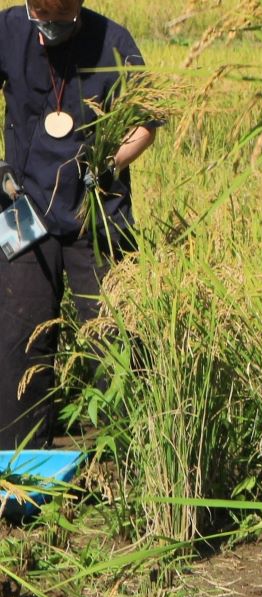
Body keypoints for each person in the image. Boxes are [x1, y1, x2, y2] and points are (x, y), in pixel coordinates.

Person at [0, 0, 157, 448]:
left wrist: (111, 159)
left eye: (61, 18)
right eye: (42, 17)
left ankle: (131, 455)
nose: (50, 26)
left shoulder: (114, 40)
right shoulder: (7, 30)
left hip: (99, 213)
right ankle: (19, 462)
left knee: (114, 337)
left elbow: (146, 120)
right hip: (23, 209)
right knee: (17, 336)